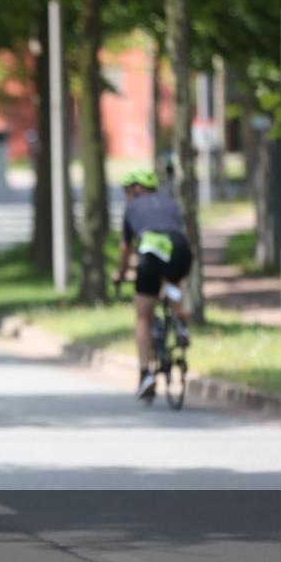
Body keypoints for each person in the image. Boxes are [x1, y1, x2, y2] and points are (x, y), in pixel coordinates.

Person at [115, 169, 193, 399]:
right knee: (172, 283)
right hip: (180, 249)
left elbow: (125, 248)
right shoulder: (170, 202)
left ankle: (145, 374)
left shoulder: (132, 208)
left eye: (127, 191)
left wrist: (121, 274)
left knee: (143, 316)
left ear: (136, 189)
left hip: (151, 251)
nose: (127, 195)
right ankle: (181, 322)